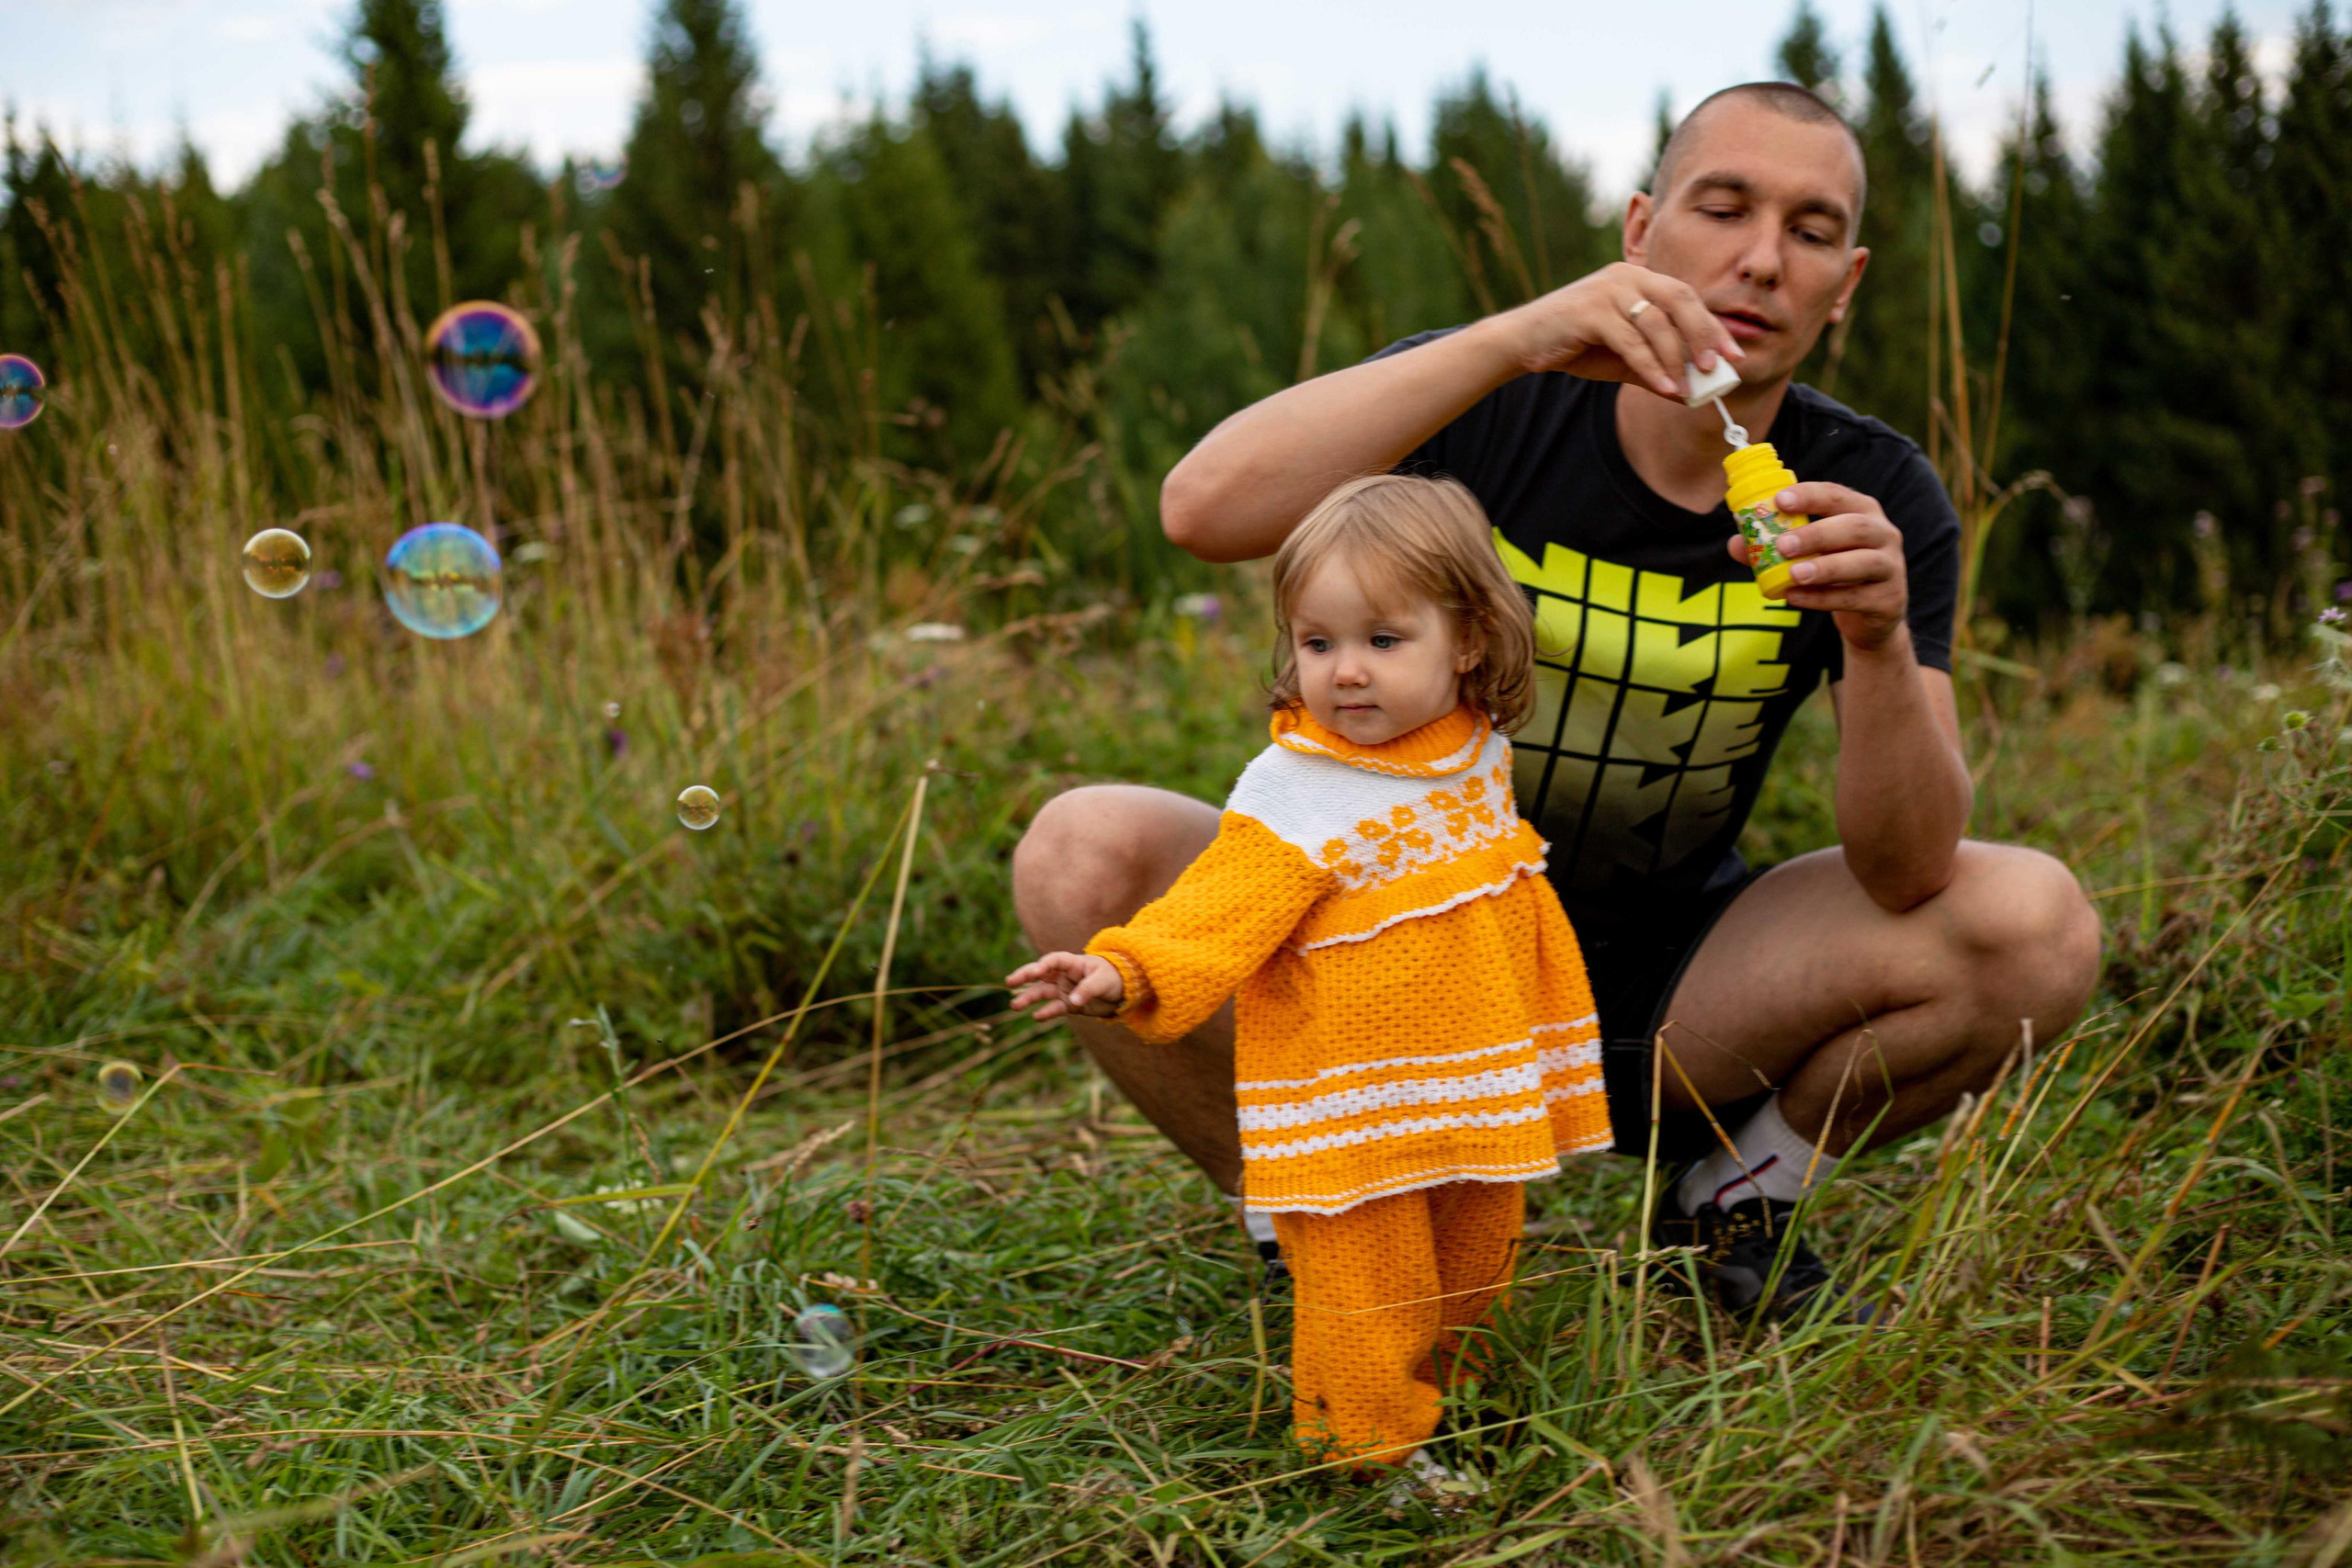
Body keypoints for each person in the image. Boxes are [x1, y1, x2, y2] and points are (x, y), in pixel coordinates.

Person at [1012, 81, 2102, 1321]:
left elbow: (1909, 869)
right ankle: (1311, 1216)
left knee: (2036, 922)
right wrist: (1509, 338)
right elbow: (1202, 510)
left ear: (1844, 282)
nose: (1759, 261)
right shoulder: (1491, 402)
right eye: (1723, 206)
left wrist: (1878, 640)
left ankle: (1734, 1192)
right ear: (1640, 230)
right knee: (1083, 851)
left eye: (1808, 231)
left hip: (1662, 992)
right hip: (1379, 954)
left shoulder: (1869, 490)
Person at [1006, 474, 1610, 1475]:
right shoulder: (1297, 790)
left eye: (1382, 640)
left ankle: (1457, 1399)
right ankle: (1368, 1450)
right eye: (1318, 643)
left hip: (1467, 1071)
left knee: (1471, 1251)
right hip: (1351, 1092)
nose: (1347, 674)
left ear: (1465, 642)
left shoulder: (1467, 744)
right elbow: (1219, 908)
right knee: (1366, 1288)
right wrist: (1123, 970)